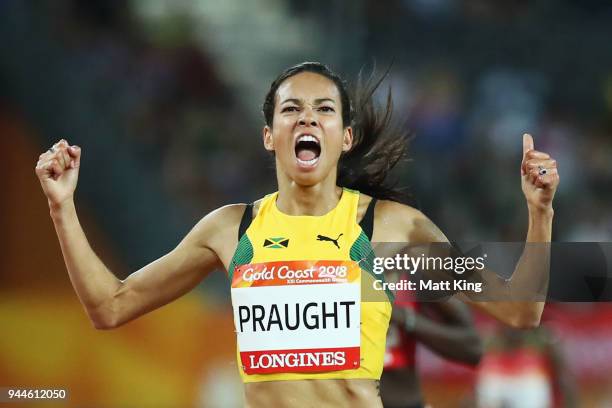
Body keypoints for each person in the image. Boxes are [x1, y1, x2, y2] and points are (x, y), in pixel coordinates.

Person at [35, 62, 560, 408]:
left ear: (344, 137)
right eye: (291, 110)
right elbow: (109, 307)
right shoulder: (230, 230)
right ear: (270, 136)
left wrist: (540, 212)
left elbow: (519, 310)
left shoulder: (390, 227)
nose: (307, 118)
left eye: (324, 110)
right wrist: (62, 208)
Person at [382, 297, 483, 408]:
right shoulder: (361, 284)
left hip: (406, 401)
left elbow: (473, 348)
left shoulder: (415, 282)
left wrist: (403, 317)